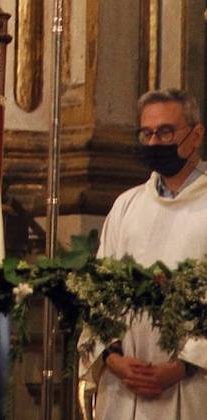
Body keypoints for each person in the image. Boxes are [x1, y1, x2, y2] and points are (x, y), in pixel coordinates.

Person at [82, 89, 207, 419]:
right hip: (124, 388)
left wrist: (184, 365)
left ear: (196, 134)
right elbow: (99, 294)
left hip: (193, 387)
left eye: (165, 132)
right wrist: (113, 358)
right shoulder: (127, 206)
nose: (154, 143)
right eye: (146, 134)